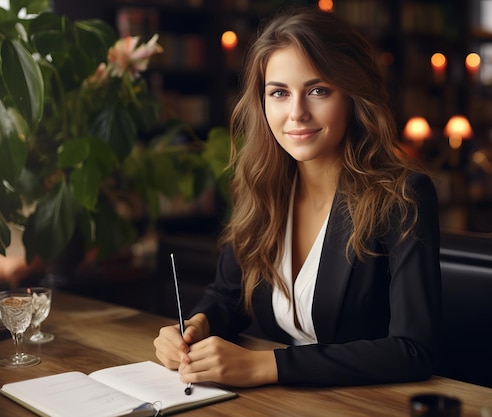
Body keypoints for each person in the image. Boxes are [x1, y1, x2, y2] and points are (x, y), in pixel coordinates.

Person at [153, 6, 442, 388]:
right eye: (279, 93)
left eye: (318, 90)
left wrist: (264, 366)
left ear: (353, 96)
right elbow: (227, 296)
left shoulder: (402, 197)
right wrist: (195, 327)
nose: (297, 113)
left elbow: (412, 350)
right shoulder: (262, 185)